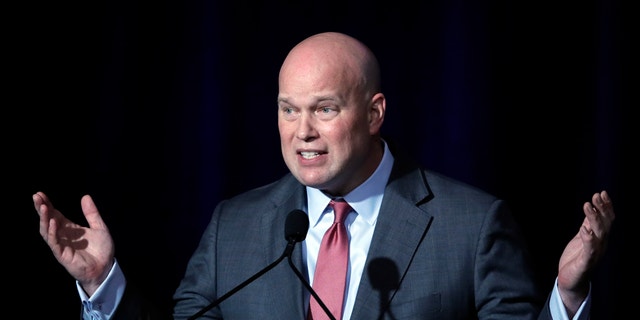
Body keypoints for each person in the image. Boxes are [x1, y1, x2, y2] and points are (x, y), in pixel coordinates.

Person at [33, 31, 615, 320]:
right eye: (288, 109)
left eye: (325, 109)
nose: (301, 131)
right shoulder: (233, 228)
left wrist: (565, 298)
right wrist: (105, 283)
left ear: (374, 113)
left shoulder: (470, 225)